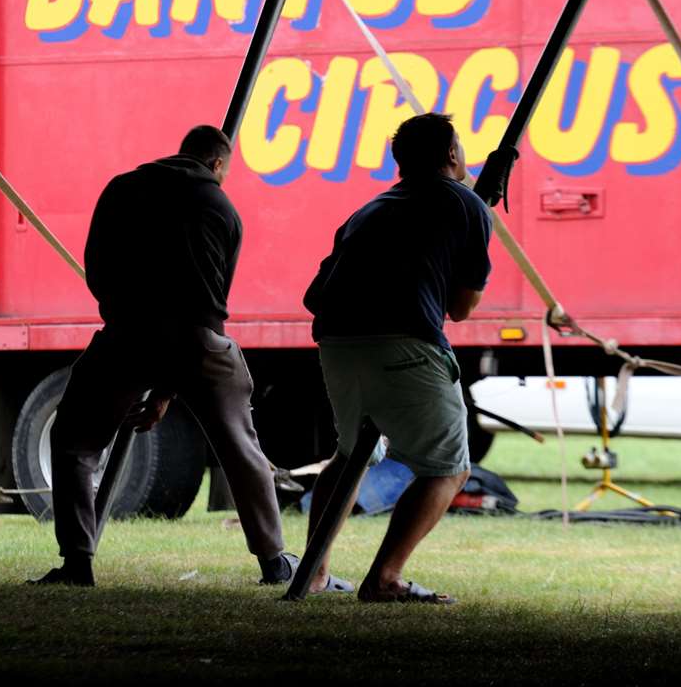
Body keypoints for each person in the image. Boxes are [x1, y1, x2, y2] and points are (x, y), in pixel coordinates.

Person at [32, 125, 306, 588]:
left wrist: (127, 320)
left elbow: (95, 267)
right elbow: (216, 297)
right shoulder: (221, 207)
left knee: (74, 442)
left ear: (182, 152)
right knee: (242, 450)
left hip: (126, 334)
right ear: (217, 165)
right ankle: (274, 561)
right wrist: (168, 386)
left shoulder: (122, 189)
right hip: (199, 341)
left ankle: (77, 563)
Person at [300, 112, 491, 604]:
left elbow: (314, 294)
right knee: (449, 468)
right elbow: (461, 309)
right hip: (406, 342)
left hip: (337, 344)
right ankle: (384, 580)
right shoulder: (467, 204)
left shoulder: (368, 210)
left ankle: (314, 574)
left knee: (348, 458)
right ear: (452, 155)